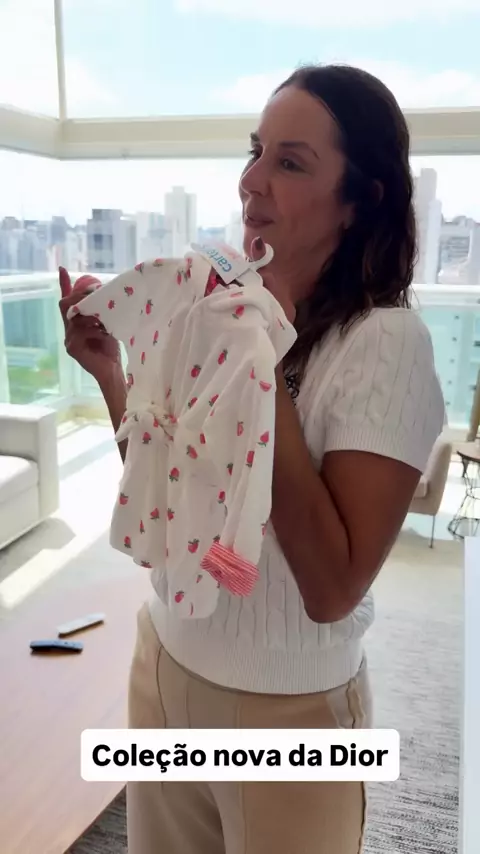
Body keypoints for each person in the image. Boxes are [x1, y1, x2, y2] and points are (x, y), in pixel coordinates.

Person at [59, 64, 445, 854]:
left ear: (360, 199)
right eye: (255, 151)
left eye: (291, 162)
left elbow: (332, 589)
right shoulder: (217, 308)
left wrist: (256, 367)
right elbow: (170, 485)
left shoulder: (386, 344)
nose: (252, 181)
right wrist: (111, 375)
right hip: (164, 664)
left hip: (290, 715)